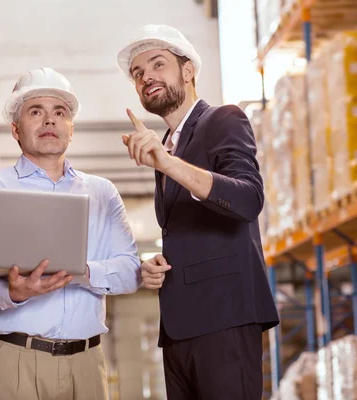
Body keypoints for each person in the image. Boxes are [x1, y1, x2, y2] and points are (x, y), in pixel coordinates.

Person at [116, 24, 280, 399]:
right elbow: (189, 232)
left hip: (224, 319)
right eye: (138, 74)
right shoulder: (166, 148)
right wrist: (158, 264)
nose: (146, 78)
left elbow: (247, 199)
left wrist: (169, 163)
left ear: (188, 71)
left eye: (158, 65)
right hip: (179, 326)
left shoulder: (223, 119)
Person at [0, 67, 142, 400]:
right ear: (15, 129)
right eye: (36, 112)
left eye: (59, 112)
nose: (49, 120)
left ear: (70, 130)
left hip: (86, 365)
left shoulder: (102, 193)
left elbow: (131, 273)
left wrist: (81, 272)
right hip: (15, 363)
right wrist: (14, 293)